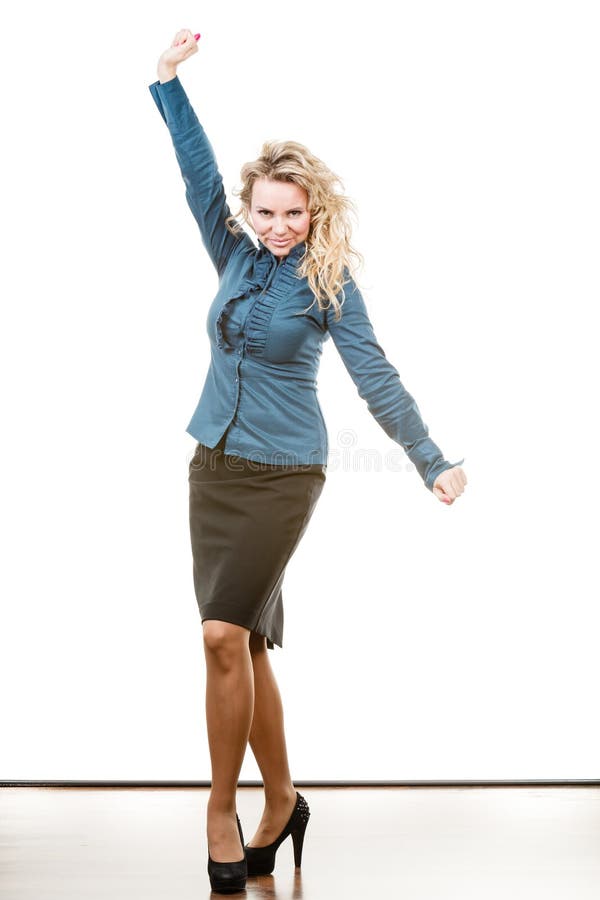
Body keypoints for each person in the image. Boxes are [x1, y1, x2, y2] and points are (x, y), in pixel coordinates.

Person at [149, 28, 467, 893]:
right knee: (243, 644)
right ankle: (283, 796)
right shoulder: (234, 255)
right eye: (267, 212)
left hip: (285, 473)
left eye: (295, 212)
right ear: (249, 213)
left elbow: (376, 376)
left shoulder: (329, 284)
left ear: (314, 212)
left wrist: (428, 457)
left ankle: (221, 807)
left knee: (219, 635)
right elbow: (196, 176)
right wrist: (168, 80)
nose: (280, 226)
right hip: (211, 467)